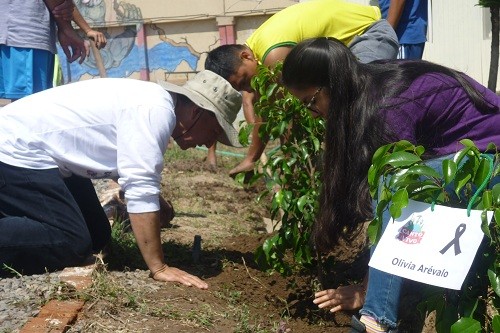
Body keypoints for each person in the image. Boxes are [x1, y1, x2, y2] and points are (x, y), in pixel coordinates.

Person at [280, 37, 500, 332]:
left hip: (490, 160)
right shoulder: (367, 89)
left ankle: (377, 320)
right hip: (467, 159)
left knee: (393, 180)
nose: (313, 114)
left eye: (311, 102)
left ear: (332, 84)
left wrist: (366, 289)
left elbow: (397, 200)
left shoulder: (389, 105)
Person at [0, 70, 242, 290]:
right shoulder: (156, 111)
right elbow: (140, 190)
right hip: (14, 150)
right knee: (72, 242)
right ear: (197, 112)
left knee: (98, 236)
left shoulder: (153, 102)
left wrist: (156, 201)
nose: (210, 143)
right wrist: (159, 267)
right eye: (214, 132)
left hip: (44, 154)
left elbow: (130, 170)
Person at [204, 0, 399, 176]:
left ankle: (380, 170)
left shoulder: (272, 56)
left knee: (354, 104)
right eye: (242, 87)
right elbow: (263, 107)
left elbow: (280, 113)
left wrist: (253, 159)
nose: (249, 87)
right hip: (342, 51)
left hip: (368, 34)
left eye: (245, 80)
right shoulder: (255, 51)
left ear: (245, 56)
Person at [0, 0, 87, 101]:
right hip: (25, 35)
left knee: (23, 104)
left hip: (13, 33)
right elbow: (58, 5)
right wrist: (67, 29)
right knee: (28, 105)